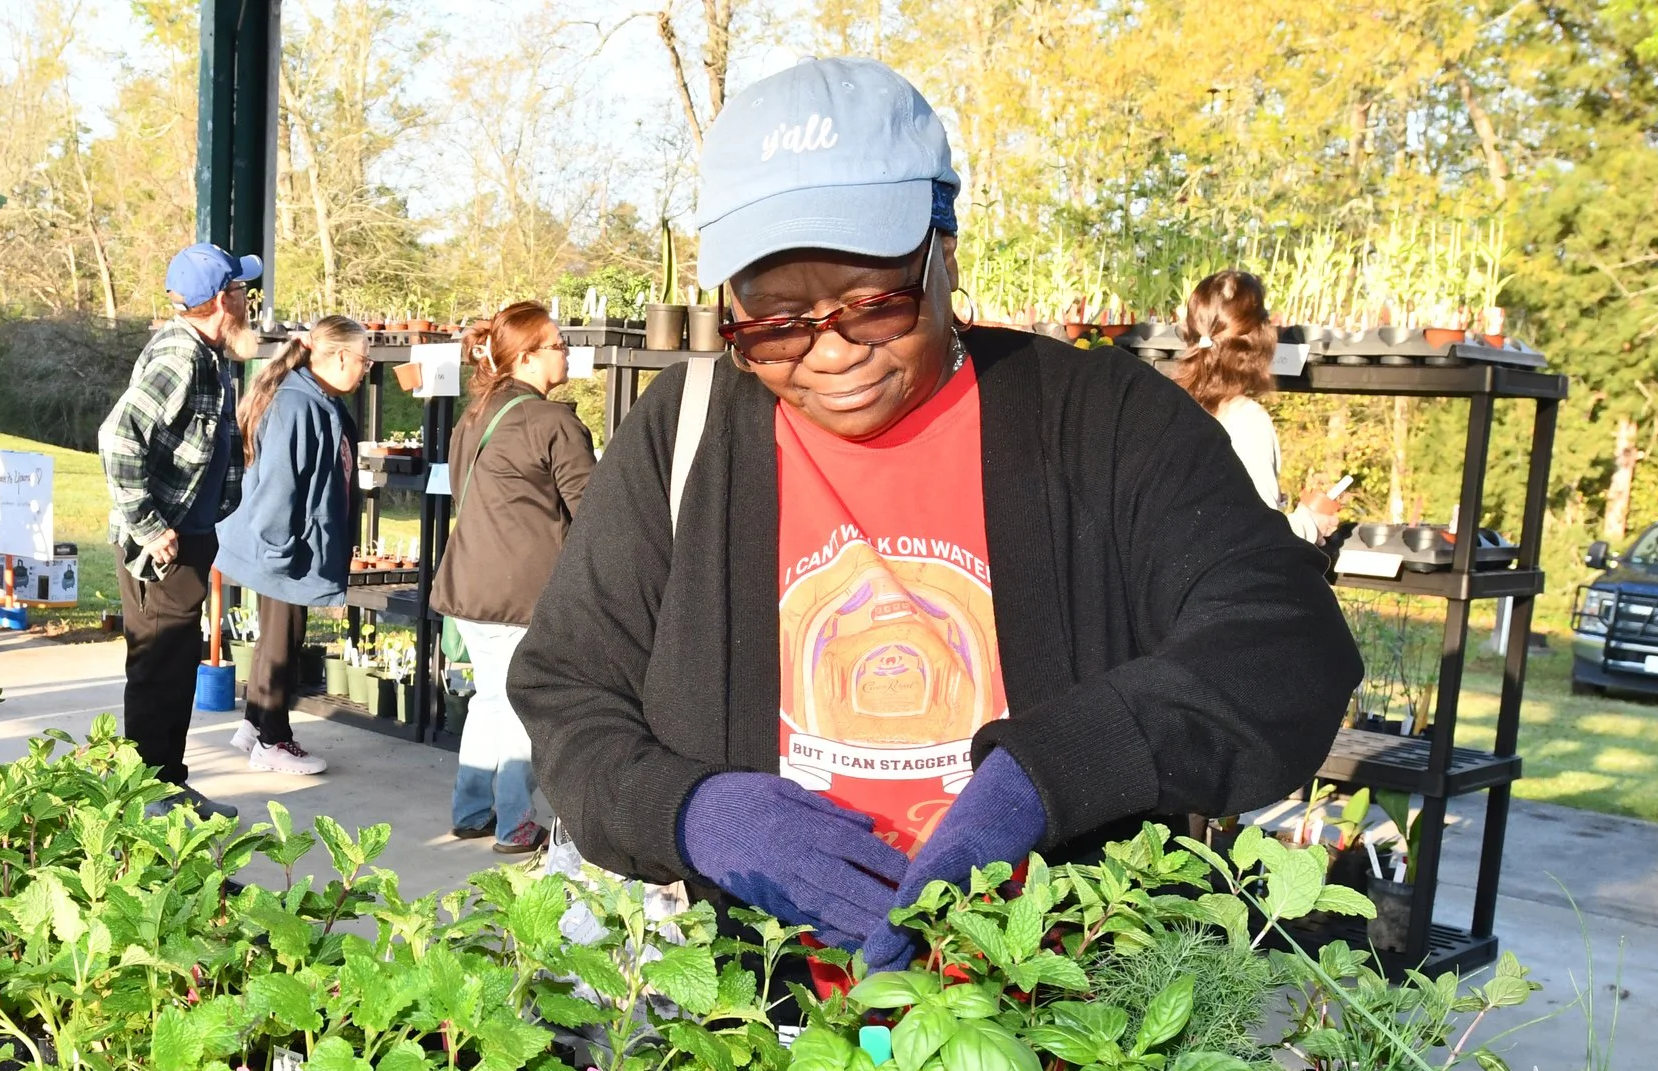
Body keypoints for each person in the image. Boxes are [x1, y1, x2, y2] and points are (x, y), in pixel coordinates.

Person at [513, 58, 1359, 973]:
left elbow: (1285, 645)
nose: (829, 351)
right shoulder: (682, 433)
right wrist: (693, 813)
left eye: (874, 303)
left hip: (1061, 1023)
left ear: (944, 252)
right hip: (754, 1023)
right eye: (775, 322)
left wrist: (1049, 773)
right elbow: (568, 690)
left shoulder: (1103, 422)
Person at [97, 243, 264, 790]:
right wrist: (150, 528)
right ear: (221, 300)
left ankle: (169, 786)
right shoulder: (181, 358)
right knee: (158, 675)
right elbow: (117, 438)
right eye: (242, 291)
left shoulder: (206, 353)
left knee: (173, 671)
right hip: (162, 552)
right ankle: (147, 800)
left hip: (188, 541)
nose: (248, 301)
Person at [432, 302, 594, 855]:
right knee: (521, 706)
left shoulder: (475, 416)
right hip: (520, 595)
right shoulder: (552, 423)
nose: (566, 352)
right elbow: (591, 513)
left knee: (490, 700)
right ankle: (515, 826)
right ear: (526, 357)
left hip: (468, 586)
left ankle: (472, 811)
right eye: (558, 344)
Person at [214, 315, 369, 777]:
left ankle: (254, 724)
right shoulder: (298, 404)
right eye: (364, 360)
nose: (366, 369)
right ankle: (273, 741)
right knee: (282, 642)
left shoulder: (316, 398)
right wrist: (278, 550)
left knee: (277, 636)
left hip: (288, 545)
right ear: (339, 357)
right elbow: (278, 486)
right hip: (282, 547)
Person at [1170, 269, 1341, 543]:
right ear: (1260, 340)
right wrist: (1311, 523)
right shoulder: (1246, 421)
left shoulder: (1167, 405)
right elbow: (1257, 538)